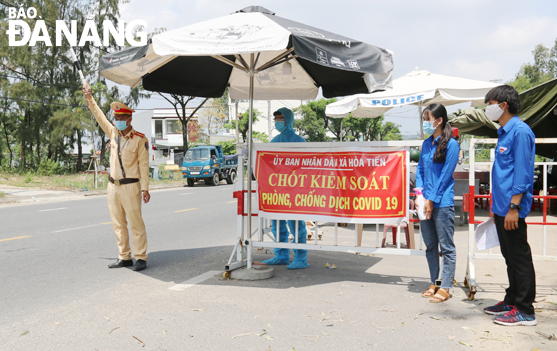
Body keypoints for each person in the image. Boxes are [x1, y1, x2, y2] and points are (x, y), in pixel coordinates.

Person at [482, 85, 537, 326]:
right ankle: (512, 300)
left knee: (519, 257)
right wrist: (498, 210)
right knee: (509, 257)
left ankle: (525, 310)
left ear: (503, 105)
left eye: (490, 103)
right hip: (502, 208)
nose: (488, 108)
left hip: (512, 208)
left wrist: (514, 207)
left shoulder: (521, 132)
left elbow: (523, 174)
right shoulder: (504, 132)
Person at [82, 82, 150, 272]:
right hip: (113, 187)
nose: (117, 120)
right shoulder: (113, 133)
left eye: (120, 118)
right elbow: (99, 116)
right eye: (116, 117)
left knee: (135, 223)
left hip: (131, 186)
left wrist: (145, 188)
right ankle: (125, 256)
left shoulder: (139, 140)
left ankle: (141, 257)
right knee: (118, 224)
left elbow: (144, 166)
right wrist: (89, 98)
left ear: (129, 120)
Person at [415, 103, 459, 303]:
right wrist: (420, 194)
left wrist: (431, 199)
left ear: (439, 120)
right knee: (431, 245)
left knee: (447, 247)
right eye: (424, 118)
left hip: (442, 202)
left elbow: (445, 175)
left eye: (427, 118)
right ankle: (435, 282)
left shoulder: (452, 144)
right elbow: (421, 172)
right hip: (425, 202)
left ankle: (446, 286)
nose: (425, 122)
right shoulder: (426, 144)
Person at [262, 108, 309, 269]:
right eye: (276, 119)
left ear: (289, 119)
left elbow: (306, 166)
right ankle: (281, 255)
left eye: (281, 118)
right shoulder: (274, 142)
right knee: (277, 223)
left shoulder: (300, 142)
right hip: (278, 190)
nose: (278, 122)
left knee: (295, 223)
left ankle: (301, 258)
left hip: (295, 190)